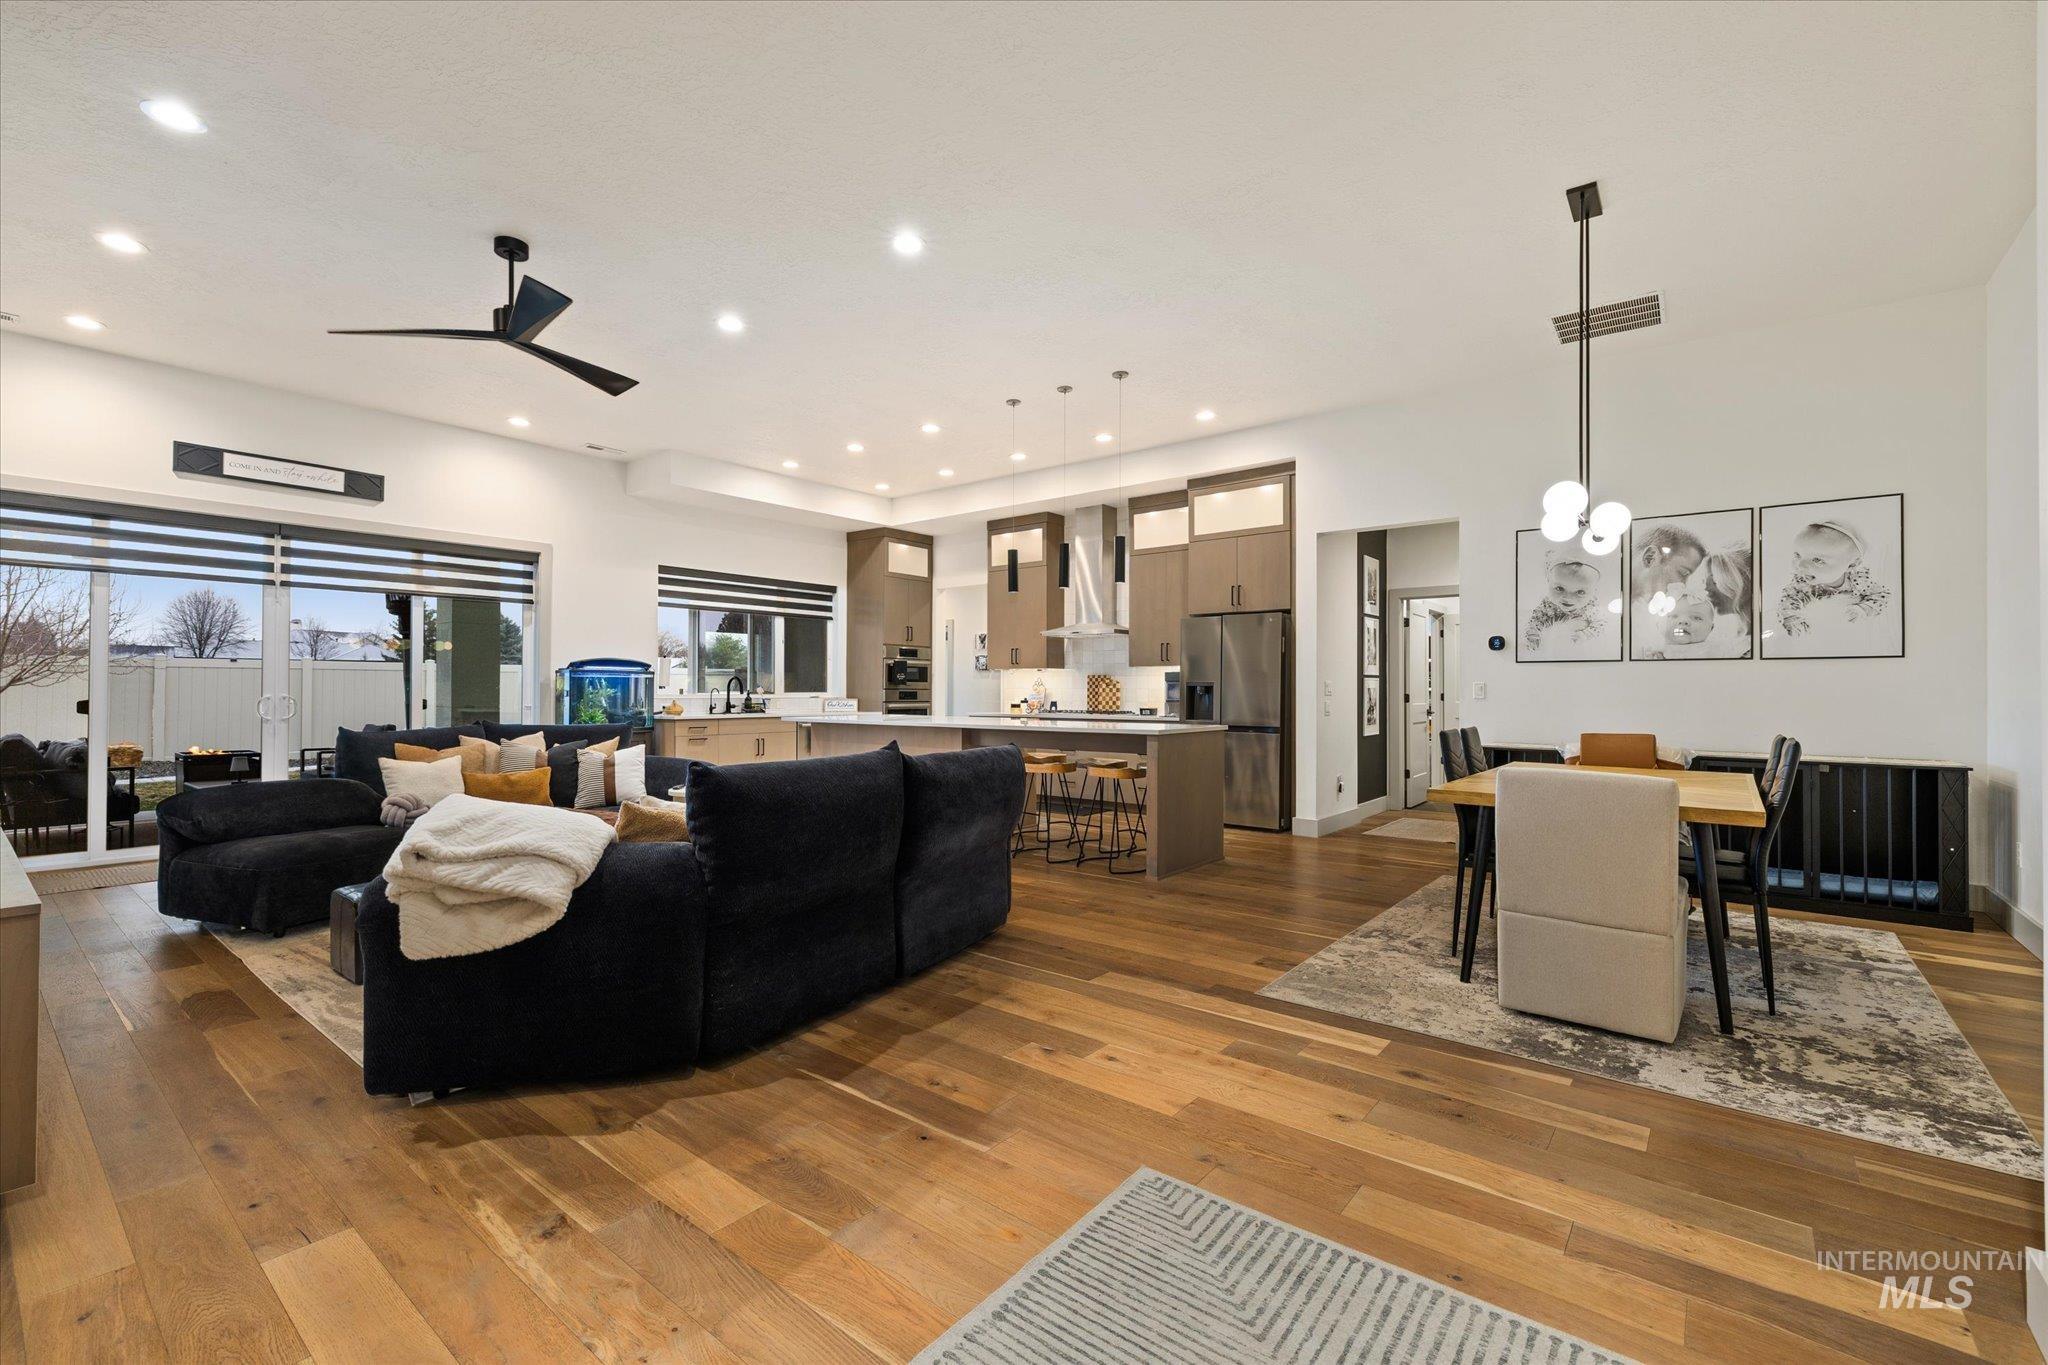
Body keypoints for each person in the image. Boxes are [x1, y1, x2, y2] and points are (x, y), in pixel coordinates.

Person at [1777, 519, 1889, 636]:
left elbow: (1882, 595)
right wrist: (1791, 618)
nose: (1800, 565)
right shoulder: (1802, 581)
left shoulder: (1859, 580)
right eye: (1797, 555)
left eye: (1817, 560)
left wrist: (1862, 609)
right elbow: (1787, 601)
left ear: (1851, 565)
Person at [1523, 550, 1607, 652]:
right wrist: (1533, 636)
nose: (1568, 598)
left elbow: (1601, 624)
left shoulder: (1592, 606)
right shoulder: (1548, 603)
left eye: (1580, 592)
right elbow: (1535, 620)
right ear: (1548, 582)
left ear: (1594, 591)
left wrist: (1584, 634)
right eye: (1559, 588)